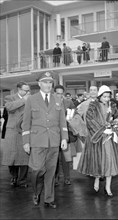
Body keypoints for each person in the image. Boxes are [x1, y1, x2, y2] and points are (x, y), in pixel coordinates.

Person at [22, 71, 68, 209]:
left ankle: (49, 199)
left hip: (54, 141)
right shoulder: (31, 99)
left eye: (50, 82)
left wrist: (64, 138)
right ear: (39, 84)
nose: (48, 85)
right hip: (37, 141)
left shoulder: (58, 100)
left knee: (50, 172)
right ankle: (36, 192)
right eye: (45, 82)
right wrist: (26, 141)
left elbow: (62, 122)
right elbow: (26, 122)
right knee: (36, 170)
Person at [77, 85, 118, 197]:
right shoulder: (93, 105)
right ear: (100, 96)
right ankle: (97, 179)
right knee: (97, 161)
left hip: (110, 139)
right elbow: (89, 120)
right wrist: (102, 130)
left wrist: (114, 127)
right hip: (97, 138)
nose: (107, 99)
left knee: (110, 162)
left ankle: (108, 186)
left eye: (108, 97)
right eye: (104, 97)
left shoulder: (112, 105)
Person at [1, 82, 31, 188]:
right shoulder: (10, 97)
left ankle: (22, 180)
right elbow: (9, 107)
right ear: (19, 89)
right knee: (11, 156)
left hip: (25, 130)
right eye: (25, 90)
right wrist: (24, 100)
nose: (28, 92)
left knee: (24, 156)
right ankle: (13, 177)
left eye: (28, 90)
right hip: (12, 131)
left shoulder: (30, 99)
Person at [54, 85, 75, 186]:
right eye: (57, 93)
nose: (59, 95)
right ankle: (55, 178)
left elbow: (75, 114)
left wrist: (71, 118)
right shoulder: (50, 102)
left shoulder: (68, 102)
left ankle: (67, 178)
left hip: (65, 133)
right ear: (54, 93)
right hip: (53, 134)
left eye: (61, 93)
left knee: (66, 158)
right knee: (54, 158)